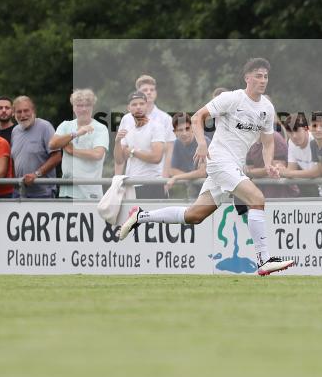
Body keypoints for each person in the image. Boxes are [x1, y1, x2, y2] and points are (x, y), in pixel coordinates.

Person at [117, 58, 294, 276]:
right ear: (247, 78)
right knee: (257, 199)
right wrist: (201, 143)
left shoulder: (267, 107)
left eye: (265, 76)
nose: (263, 80)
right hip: (219, 160)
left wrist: (269, 165)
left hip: (234, 166)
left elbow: (268, 142)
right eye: (258, 75)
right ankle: (263, 260)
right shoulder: (232, 98)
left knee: (194, 216)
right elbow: (197, 117)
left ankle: (140, 217)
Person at [50, 89, 109, 200]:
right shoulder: (65, 125)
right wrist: (76, 134)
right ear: (73, 107)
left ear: (92, 107)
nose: (83, 109)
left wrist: (73, 151)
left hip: (90, 192)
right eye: (79, 105)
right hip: (67, 191)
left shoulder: (100, 128)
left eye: (87, 105)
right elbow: (52, 144)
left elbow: (97, 154)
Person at [114, 75, 176, 175]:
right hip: (132, 176)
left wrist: (165, 178)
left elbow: (169, 151)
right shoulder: (126, 119)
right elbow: (122, 152)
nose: (149, 92)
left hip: (156, 176)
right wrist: (117, 180)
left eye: (152, 89)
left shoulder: (165, 118)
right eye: (145, 90)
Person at [114, 91, 167, 199]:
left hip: (153, 184)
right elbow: (119, 160)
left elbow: (156, 157)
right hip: (131, 184)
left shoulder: (156, 127)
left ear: (147, 106)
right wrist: (117, 142)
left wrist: (133, 152)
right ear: (128, 108)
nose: (138, 107)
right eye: (134, 104)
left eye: (141, 104)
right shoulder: (126, 122)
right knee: (133, 216)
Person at [10, 95, 61, 198]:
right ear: (14, 114)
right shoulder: (15, 131)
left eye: (26, 111)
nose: (23, 115)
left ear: (33, 111)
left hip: (43, 193)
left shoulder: (45, 127)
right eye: (19, 112)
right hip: (20, 192)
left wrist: (36, 174)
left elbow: (57, 156)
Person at [281, 113, 322, 198]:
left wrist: (288, 173)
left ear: (306, 129)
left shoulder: (316, 140)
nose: (294, 136)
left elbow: (317, 172)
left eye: (297, 130)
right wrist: (278, 170)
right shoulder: (291, 143)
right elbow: (291, 170)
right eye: (290, 132)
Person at [245, 121, 297, 199]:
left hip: (281, 194)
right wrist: (250, 172)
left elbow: (276, 170)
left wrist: (250, 172)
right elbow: (249, 171)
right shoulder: (249, 142)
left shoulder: (276, 138)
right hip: (259, 195)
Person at [164, 112, 208, 198]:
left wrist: (177, 178)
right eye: (180, 130)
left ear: (192, 128)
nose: (184, 133)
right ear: (174, 132)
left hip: (213, 189)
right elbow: (172, 170)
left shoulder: (203, 142)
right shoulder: (177, 143)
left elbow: (202, 173)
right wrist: (192, 176)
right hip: (194, 190)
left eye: (187, 128)